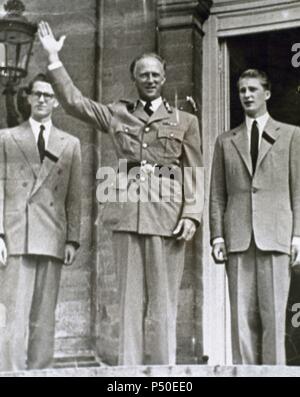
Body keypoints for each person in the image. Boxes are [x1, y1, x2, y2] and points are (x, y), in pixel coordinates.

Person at [38, 21, 204, 365]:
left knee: (163, 301)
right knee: (129, 301)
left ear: (164, 76)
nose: (150, 79)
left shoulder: (185, 121)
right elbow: (73, 103)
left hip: (167, 216)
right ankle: (128, 374)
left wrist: (192, 214)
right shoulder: (117, 113)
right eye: (143, 74)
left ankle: (164, 377)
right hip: (127, 211)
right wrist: (54, 58)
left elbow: (194, 170)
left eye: (156, 74)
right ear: (135, 79)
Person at [209, 68, 300, 365]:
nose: (246, 95)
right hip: (238, 239)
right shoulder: (226, 141)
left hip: (276, 237)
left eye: (252, 89)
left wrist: (298, 235)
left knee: (273, 317)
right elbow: (217, 194)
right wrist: (217, 236)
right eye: (242, 90)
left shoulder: (291, 135)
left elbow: (298, 191)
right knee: (241, 321)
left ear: (267, 93)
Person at [0, 73, 82, 371]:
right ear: (29, 97)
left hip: (52, 235)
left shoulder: (70, 143)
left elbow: (74, 196)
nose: (42, 99)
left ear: (57, 101)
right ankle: (8, 372)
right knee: (13, 316)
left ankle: (40, 371)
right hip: (16, 235)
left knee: (44, 317)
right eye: (37, 94)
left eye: (48, 95)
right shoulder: (6, 138)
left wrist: (73, 238)